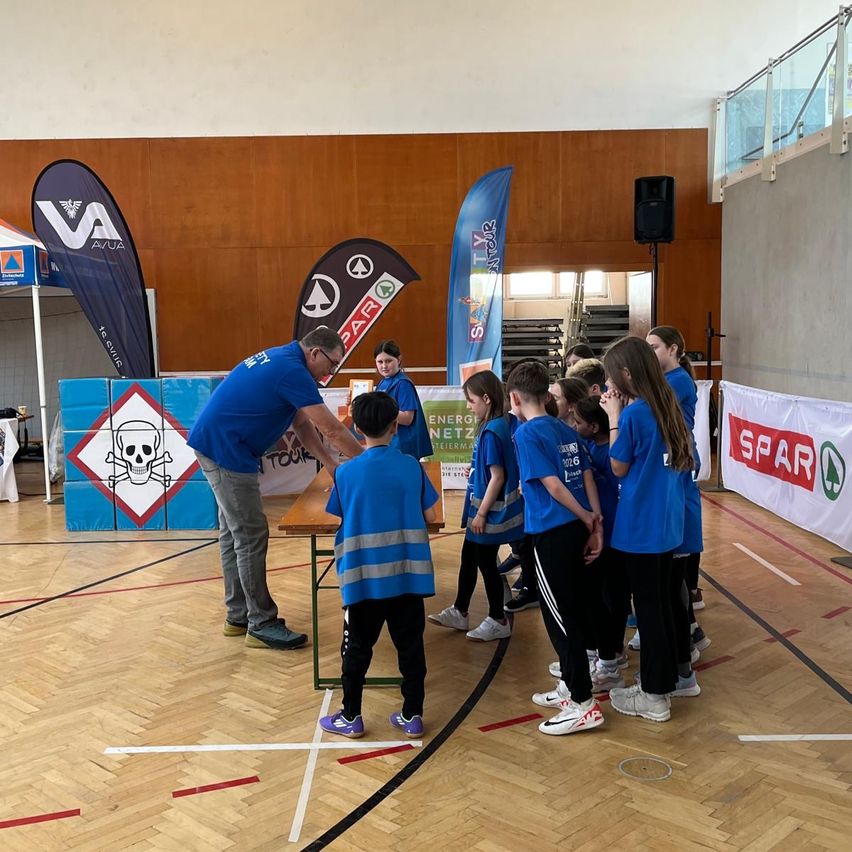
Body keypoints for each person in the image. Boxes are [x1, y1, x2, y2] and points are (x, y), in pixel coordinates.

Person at [188, 328, 364, 650]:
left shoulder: (286, 361)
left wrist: (328, 463)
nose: (331, 372)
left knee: (234, 534)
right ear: (315, 353)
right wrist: (372, 462)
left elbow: (301, 423)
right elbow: (331, 428)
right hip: (226, 450)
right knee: (250, 535)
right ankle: (261, 622)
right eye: (332, 364)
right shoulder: (291, 370)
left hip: (221, 445)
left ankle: (238, 615)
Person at [320, 391, 440, 738]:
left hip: (363, 580)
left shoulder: (345, 474)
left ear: (357, 427)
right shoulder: (411, 467)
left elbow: (337, 515)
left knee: (356, 649)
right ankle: (412, 715)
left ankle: (351, 715)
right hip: (407, 577)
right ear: (394, 426)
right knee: (411, 648)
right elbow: (430, 514)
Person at [507, 361, 605, 736]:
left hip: (553, 533)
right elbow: (585, 475)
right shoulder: (564, 429)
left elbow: (553, 485)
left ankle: (582, 703)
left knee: (560, 618)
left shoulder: (527, 435)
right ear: (547, 395)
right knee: (575, 610)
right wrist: (595, 523)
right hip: (577, 529)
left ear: (515, 398)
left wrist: (584, 518)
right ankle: (571, 684)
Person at [600, 336, 693, 723]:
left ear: (626, 373)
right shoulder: (668, 401)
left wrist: (613, 419)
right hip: (667, 523)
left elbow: (618, 466)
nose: (608, 386)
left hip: (641, 527)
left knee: (651, 611)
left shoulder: (636, 414)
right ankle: (667, 679)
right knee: (664, 606)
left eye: (610, 376)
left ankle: (654, 695)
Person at [428, 371, 523, 641]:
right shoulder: (497, 424)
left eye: (470, 400)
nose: (468, 406)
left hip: (489, 512)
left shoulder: (493, 430)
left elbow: (498, 476)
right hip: (483, 508)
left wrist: (481, 513)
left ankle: (498, 618)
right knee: (470, 556)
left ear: (486, 398)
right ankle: (460, 610)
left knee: (484, 561)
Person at [647, 325, 710, 680]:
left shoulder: (678, 382)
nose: (650, 353)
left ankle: (688, 641)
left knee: (673, 583)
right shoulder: (668, 381)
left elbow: (647, 409)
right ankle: (687, 638)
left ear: (673, 349)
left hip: (679, 480)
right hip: (675, 473)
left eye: (654, 347)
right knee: (671, 582)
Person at [573, 396, 629, 694]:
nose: (574, 424)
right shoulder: (593, 447)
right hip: (604, 532)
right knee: (602, 598)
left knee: (610, 599)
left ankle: (610, 658)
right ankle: (604, 653)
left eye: (579, 422)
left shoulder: (609, 454)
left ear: (594, 426)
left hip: (611, 535)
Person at [373, 340, 433, 459]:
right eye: (380, 362)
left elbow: (407, 418)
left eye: (388, 361)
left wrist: (381, 411)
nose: (384, 366)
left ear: (399, 360)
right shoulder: (382, 383)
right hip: (388, 442)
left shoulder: (403, 384)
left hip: (402, 444)